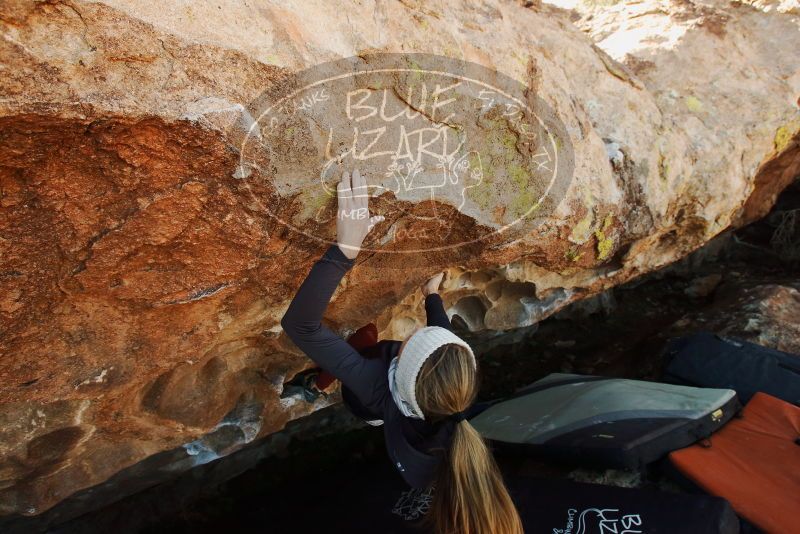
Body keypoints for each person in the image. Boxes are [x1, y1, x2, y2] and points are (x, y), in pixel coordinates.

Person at [280, 169, 523, 534]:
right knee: (362, 343)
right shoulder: (446, 387)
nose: (420, 334)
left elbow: (300, 324)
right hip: (403, 408)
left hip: (369, 404)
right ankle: (323, 377)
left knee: (361, 338)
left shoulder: (374, 382)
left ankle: (317, 384)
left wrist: (345, 248)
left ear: (403, 365)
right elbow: (441, 335)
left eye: (414, 341)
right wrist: (432, 294)